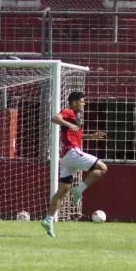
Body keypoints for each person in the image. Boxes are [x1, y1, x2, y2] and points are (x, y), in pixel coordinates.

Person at [42, 91, 108, 238]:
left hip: (67, 157)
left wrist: (92, 136)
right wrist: (68, 124)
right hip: (72, 153)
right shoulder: (68, 111)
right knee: (102, 168)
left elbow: (76, 134)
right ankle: (78, 191)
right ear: (74, 102)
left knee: (63, 191)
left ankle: (48, 219)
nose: (84, 103)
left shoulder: (75, 117)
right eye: (82, 101)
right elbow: (54, 118)